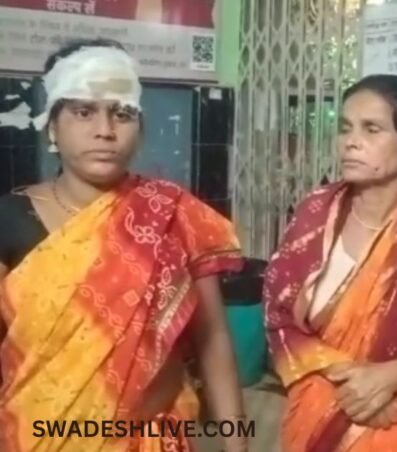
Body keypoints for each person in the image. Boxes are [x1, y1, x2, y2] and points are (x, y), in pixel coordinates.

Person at [0, 39, 247, 452]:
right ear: (52, 126)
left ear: (141, 129)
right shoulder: (8, 219)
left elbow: (213, 340)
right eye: (83, 112)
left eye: (122, 113)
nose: (105, 129)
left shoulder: (174, 214)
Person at [264, 74, 397, 452]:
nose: (350, 141)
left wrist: (393, 377)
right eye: (345, 128)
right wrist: (354, 386)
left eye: (371, 129)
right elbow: (278, 317)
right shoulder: (315, 214)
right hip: (318, 394)